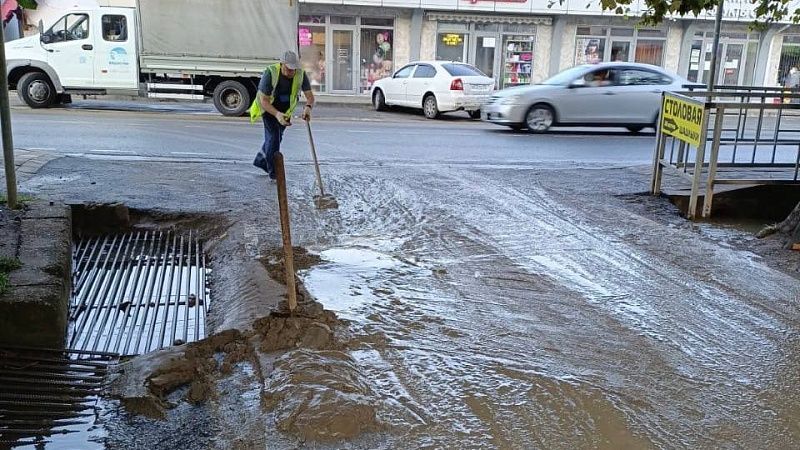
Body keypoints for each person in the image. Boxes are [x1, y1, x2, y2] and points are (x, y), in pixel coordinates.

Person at [250, 51, 315, 180]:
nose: (291, 72)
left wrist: (308, 108)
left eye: (293, 69)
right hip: (269, 109)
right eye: (288, 68)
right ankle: (275, 173)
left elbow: (310, 97)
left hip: (285, 111)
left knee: (276, 138)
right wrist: (277, 114)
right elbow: (264, 101)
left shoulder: (300, 74)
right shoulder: (270, 73)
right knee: (274, 138)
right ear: (281, 64)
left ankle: (261, 160)